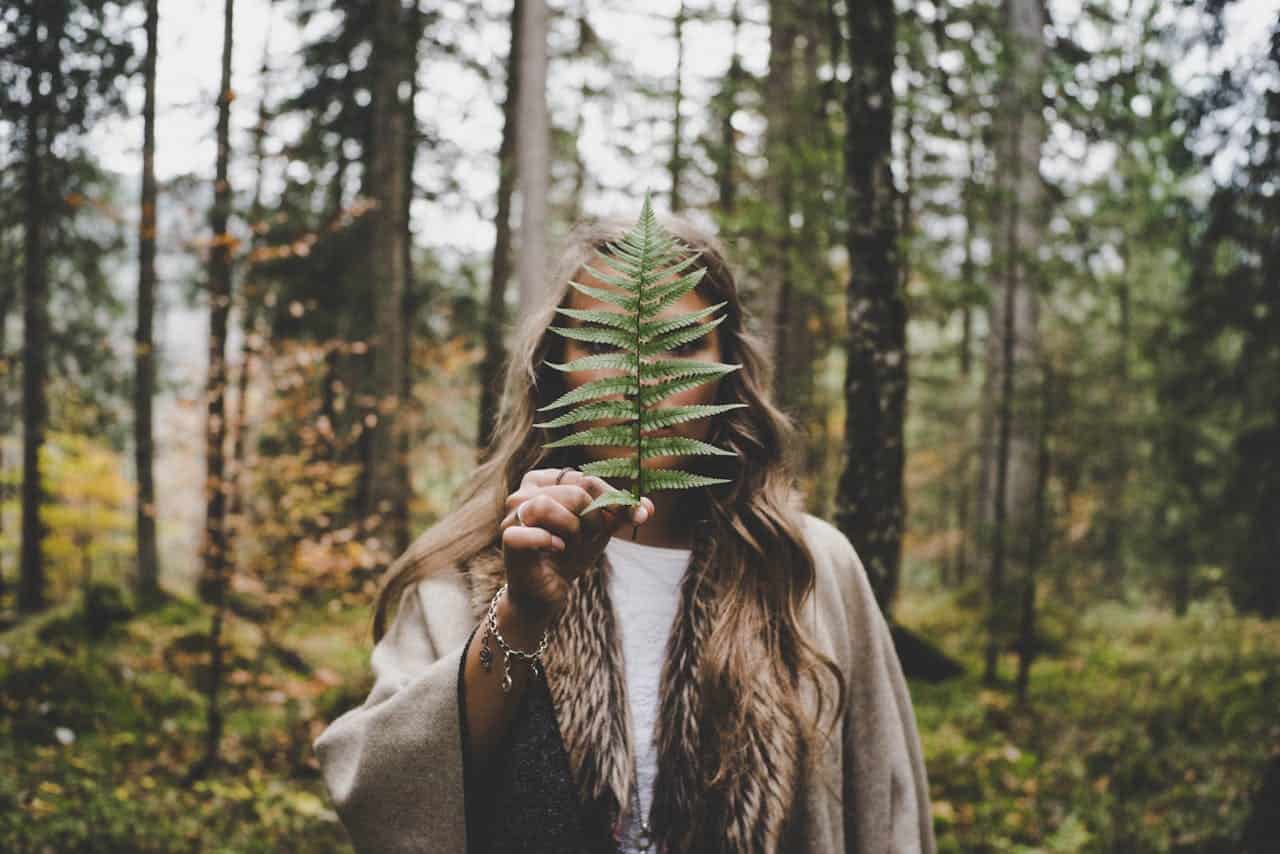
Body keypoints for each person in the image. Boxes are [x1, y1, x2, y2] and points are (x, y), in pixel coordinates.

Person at [313, 214, 937, 853]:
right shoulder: (473, 561)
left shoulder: (808, 566)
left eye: (683, 344)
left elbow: (888, 815)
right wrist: (520, 616)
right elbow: (381, 794)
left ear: (729, 368)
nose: (642, 376)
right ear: (556, 367)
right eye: (606, 342)